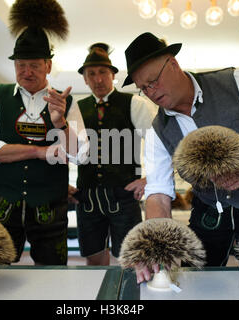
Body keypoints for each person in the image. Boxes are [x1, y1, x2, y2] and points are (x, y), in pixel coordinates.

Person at [122, 32, 239, 282]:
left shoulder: (237, 83)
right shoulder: (157, 131)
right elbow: (158, 194)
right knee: (196, 277)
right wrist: (157, 245)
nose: (151, 92)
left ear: (173, 64)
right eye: (143, 89)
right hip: (207, 210)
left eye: (153, 81)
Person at [0, 3, 88, 265]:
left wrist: (61, 125)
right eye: (21, 65)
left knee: (52, 275)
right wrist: (38, 151)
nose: (26, 72)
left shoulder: (66, 102)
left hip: (49, 210)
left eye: (34, 65)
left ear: (48, 65)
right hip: (0, 206)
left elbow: (80, 154)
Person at [70, 43, 157, 265]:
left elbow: (160, 143)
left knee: (132, 259)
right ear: (85, 79)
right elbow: (68, 150)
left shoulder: (135, 104)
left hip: (124, 195)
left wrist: (150, 179)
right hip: (87, 196)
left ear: (113, 75)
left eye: (103, 73)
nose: (98, 79)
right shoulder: (76, 108)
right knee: (94, 259)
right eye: (92, 74)